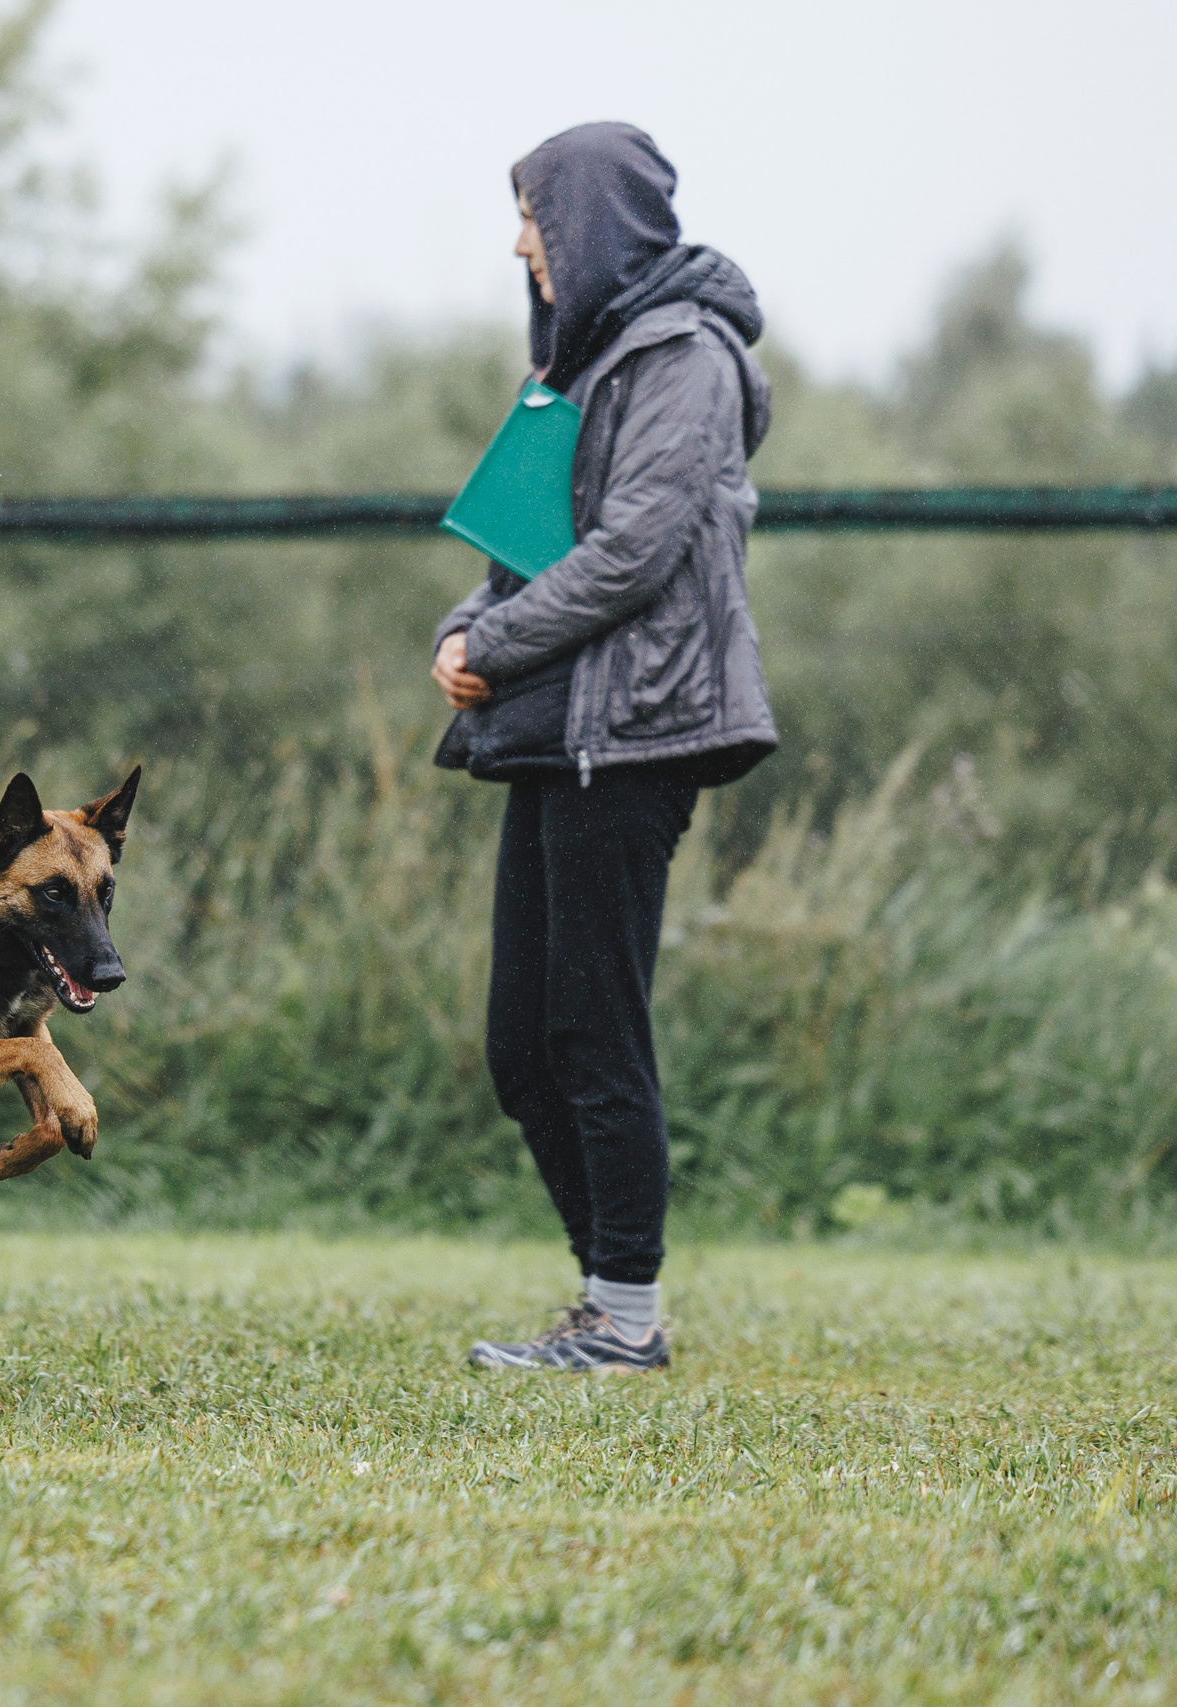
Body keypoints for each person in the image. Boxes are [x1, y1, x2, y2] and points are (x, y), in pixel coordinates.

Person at [430, 122, 776, 1374]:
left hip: (636, 735)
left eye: (533, 216)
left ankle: (625, 1321)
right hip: (553, 728)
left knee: (592, 1028)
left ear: (586, 222)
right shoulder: (576, 363)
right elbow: (524, 544)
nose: (520, 243)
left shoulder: (684, 357)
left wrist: (495, 642)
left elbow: (633, 549)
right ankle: (607, 1302)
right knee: (522, 1044)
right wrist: (464, 625)